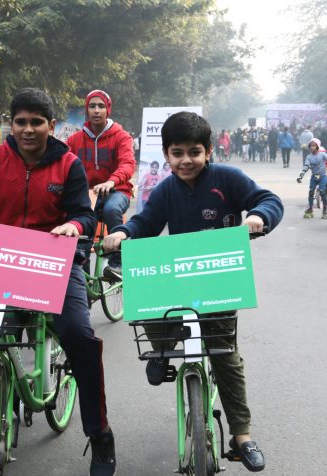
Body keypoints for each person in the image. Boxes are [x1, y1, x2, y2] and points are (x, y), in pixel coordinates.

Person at [0, 88, 117, 476]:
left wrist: (73, 224)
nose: (28, 130)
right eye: (20, 122)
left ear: (51, 125)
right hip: (1, 260)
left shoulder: (68, 164)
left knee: (79, 337)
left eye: (36, 122)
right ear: (11, 125)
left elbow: (84, 214)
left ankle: (99, 433)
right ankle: (5, 396)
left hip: (56, 262)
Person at [102, 111, 282, 473]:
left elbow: (269, 200)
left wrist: (258, 217)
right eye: (177, 152)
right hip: (180, 274)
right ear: (167, 155)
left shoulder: (227, 179)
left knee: (226, 357)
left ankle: (242, 435)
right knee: (144, 291)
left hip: (220, 279)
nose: (186, 160)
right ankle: (162, 350)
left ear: (209, 151)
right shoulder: (166, 188)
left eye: (194, 152)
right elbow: (146, 222)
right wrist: (124, 232)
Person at [65, 89, 135, 279]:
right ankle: (82, 277)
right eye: (92, 106)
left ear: (108, 110)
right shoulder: (75, 140)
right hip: (87, 196)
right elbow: (65, 166)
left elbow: (128, 164)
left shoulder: (121, 137)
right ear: (87, 110)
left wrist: (111, 181)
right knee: (80, 224)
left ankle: (116, 262)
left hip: (117, 191)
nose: (96, 110)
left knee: (112, 209)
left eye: (101, 106)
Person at [297, 138, 327, 219]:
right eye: (310, 146)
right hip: (313, 177)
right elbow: (306, 167)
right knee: (311, 192)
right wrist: (300, 176)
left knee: (322, 192)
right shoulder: (309, 157)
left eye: (314, 146)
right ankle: (310, 208)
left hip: (323, 176)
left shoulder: (322, 155)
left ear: (317, 146)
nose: (312, 147)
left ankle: (325, 209)